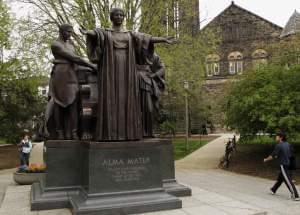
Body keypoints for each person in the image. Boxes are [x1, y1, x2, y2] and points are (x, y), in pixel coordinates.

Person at [80, 8, 175, 141]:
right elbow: (96, 34)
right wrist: (87, 32)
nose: (119, 17)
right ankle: (110, 133)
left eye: (121, 15)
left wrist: (163, 39)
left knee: (127, 98)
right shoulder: (106, 33)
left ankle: (128, 133)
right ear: (111, 17)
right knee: (111, 97)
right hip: (111, 69)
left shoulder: (130, 34)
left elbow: (147, 38)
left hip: (127, 70)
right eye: (116, 15)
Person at [48, 24, 97, 140]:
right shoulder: (56, 45)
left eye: (71, 32)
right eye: (68, 32)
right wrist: (91, 65)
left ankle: (74, 132)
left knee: (73, 103)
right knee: (58, 104)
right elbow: (74, 58)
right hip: (60, 75)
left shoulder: (71, 44)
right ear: (61, 31)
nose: (70, 35)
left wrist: (89, 68)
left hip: (71, 74)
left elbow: (75, 61)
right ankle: (59, 132)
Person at [264, 132, 299, 201]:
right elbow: (290, 154)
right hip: (288, 163)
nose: (276, 138)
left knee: (287, 180)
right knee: (281, 178)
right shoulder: (288, 144)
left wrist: (266, 159)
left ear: (281, 137)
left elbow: (272, 156)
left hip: (283, 165)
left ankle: (295, 195)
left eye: (277, 136)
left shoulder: (279, 145)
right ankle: (273, 189)